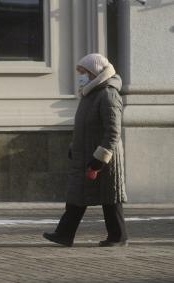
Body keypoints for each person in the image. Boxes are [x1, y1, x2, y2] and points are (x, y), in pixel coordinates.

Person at [43, 53, 128, 247]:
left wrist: (100, 158)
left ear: (94, 71)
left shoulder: (108, 94)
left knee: (110, 197)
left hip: (103, 158)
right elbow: (83, 127)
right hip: (84, 154)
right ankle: (64, 234)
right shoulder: (90, 93)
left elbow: (113, 131)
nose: (81, 76)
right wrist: (75, 147)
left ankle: (118, 236)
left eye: (83, 72)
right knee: (77, 195)